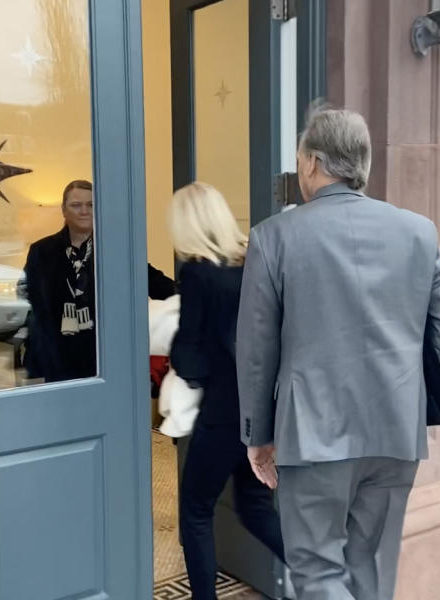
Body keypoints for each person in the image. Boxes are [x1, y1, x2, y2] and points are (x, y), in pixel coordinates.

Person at [236, 106, 440, 600]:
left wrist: (259, 435)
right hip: (394, 429)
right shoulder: (416, 231)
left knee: (319, 572)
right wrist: (418, 398)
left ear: (312, 163)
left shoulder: (273, 236)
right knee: (373, 570)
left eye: (301, 158)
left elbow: (257, 350)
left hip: (313, 433)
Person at [168, 182, 286, 599]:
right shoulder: (255, 259)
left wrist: (177, 361)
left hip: (222, 412)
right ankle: (328, 573)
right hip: (263, 409)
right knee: (255, 508)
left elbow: (191, 350)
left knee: (196, 510)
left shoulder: (198, 272)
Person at [24, 180, 97, 382]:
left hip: (100, 360)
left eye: (91, 204)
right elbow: (31, 299)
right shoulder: (41, 251)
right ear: (63, 210)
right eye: (76, 205)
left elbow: (152, 280)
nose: (84, 211)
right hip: (53, 359)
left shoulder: (115, 249)